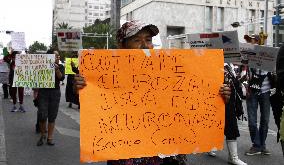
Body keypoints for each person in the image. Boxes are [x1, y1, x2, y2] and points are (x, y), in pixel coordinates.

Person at [74, 20, 232, 165]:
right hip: (127, 155)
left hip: (167, 155)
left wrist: (218, 96)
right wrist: (83, 89)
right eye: (137, 40)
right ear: (122, 45)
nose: (144, 45)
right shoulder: (106, 75)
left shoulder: (171, 70)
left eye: (148, 40)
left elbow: (192, 102)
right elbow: (97, 110)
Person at [244, 35, 274, 156]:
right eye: (251, 41)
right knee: (252, 121)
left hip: (266, 91)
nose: (253, 43)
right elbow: (242, 69)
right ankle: (256, 145)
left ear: (259, 41)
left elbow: (274, 68)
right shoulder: (248, 53)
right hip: (252, 91)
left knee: (265, 121)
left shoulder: (268, 53)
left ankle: (262, 144)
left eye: (255, 40)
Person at [37, 49, 65, 146]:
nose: (58, 57)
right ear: (50, 57)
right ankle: (42, 135)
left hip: (55, 93)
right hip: (43, 92)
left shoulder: (60, 66)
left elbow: (61, 78)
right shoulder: (42, 66)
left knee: (52, 116)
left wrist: (56, 69)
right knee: (42, 115)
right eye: (56, 56)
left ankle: (50, 138)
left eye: (58, 56)